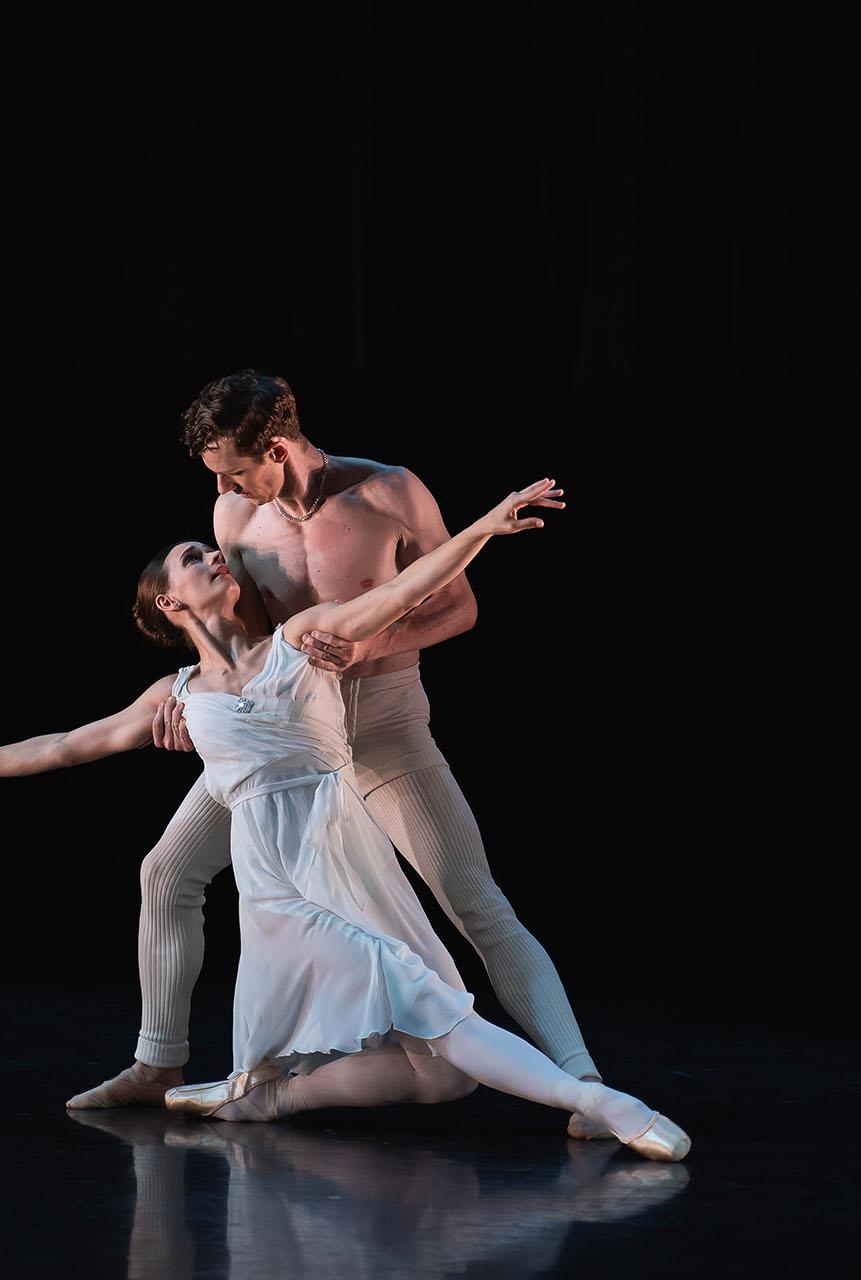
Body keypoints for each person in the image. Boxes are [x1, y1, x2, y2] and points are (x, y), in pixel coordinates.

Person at [0, 479, 690, 1162]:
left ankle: (261, 1099)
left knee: (443, 1074)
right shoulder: (176, 697)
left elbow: (402, 594)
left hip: (351, 863)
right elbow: (62, 745)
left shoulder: (300, 638)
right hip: (281, 889)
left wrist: (481, 526)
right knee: (418, 997)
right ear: (170, 600)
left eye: (212, 548)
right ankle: (604, 1102)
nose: (216, 555)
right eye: (195, 557)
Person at [96, 370, 611, 1139]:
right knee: (165, 872)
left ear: (277, 448)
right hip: (291, 737)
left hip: (382, 724)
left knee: (473, 900)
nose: (225, 489)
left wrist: (372, 643)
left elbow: (459, 606)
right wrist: (185, 700)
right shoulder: (235, 515)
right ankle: (157, 1064)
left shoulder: (388, 493)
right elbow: (235, 638)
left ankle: (584, 1084)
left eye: (236, 471)